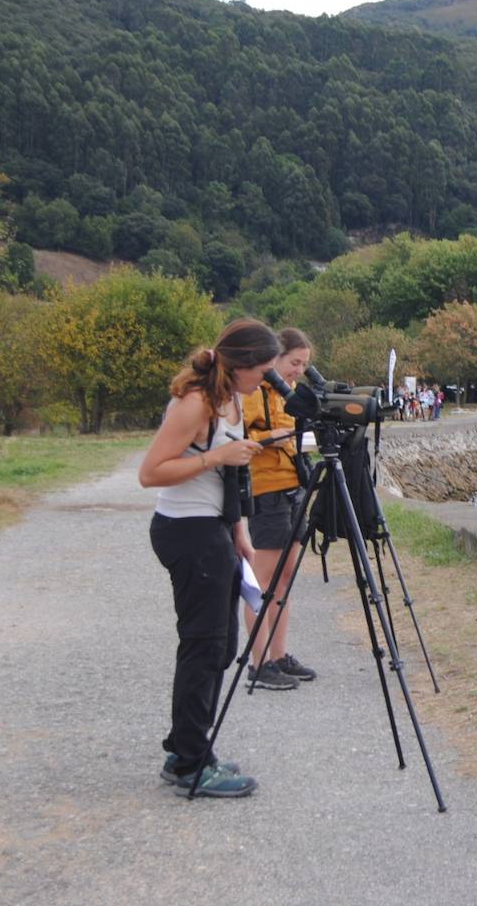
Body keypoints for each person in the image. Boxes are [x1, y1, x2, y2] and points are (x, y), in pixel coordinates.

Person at [138, 318, 281, 798]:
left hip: (216, 529)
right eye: (261, 371)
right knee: (203, 646)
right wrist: (215, 458)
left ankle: (189, 748)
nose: (265, 381)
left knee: (221, 648)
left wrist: (239, 529)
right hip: (186, 530)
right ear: (238, 365)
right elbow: (151, 472)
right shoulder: (195, 402)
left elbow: (232, 479)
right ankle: (189, 764)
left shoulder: (233, 399)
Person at [240, 328, 316, 691]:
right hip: (267, 490)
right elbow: (237, 437)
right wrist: (276, 438)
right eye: (294, 362)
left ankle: (280, 654)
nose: (298, 371)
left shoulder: (292, 396)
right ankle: (260, 662)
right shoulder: (256, 393)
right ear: (277, 359)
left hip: (294, 487)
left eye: (304, 364)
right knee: (263, 582)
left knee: (285, 578)